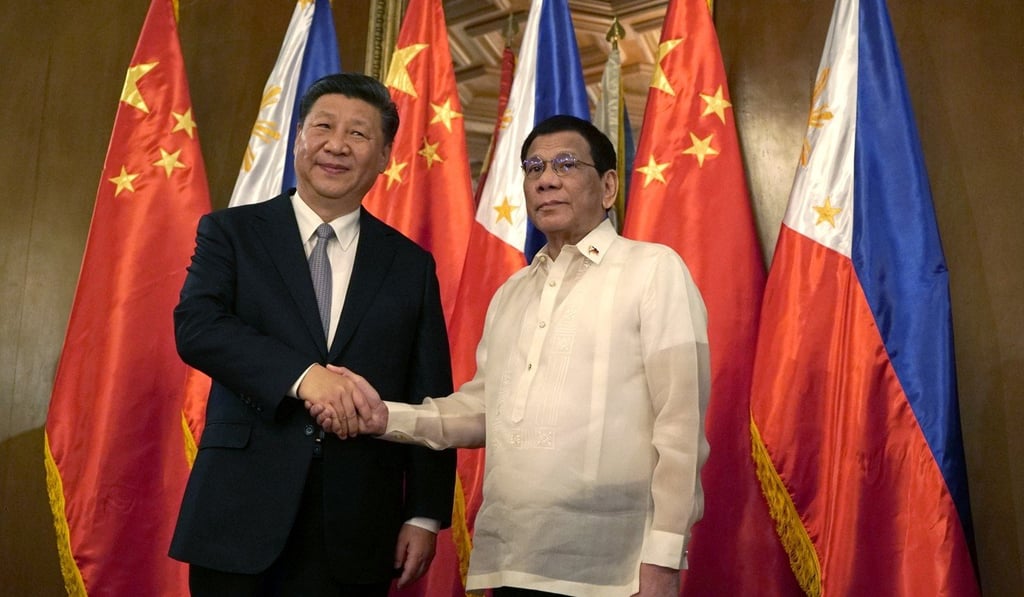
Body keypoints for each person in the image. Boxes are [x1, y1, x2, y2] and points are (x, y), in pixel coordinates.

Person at [316, 115, 711, 597]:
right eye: (533, 167)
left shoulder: (653, 270)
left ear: (608, 186)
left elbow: (681, 428)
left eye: (566, 164)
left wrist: (664, 557)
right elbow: (483, 411)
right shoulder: (512, 292)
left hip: (615, 567)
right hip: (512, 559)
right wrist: (385, 418)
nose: (545, 179)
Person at [169, 73, 456, 596]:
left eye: (358, 134)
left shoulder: (410, 265)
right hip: (239, 509)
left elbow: (429, 388)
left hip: (359, 520)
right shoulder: (232, 232)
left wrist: (425, 513)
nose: (337, 145)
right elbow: (198, 328)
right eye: (323, 126)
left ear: (386, 155)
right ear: (299, 136)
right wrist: (304, 378)